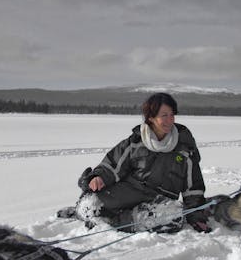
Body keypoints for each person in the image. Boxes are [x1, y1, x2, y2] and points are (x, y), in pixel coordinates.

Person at [58, 92, 211, 233]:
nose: (170, 120)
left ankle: (108, 220)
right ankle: (84, 210)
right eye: (164, 115)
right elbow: (112, 165)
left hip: (158, 201)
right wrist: (98, 177)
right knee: (90, 204)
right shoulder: (135, 142)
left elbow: (193, 187)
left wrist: (196, 215)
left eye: (172, 115)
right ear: (151, 117)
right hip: (129, 192)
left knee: (175, 217)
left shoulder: (185, 147)